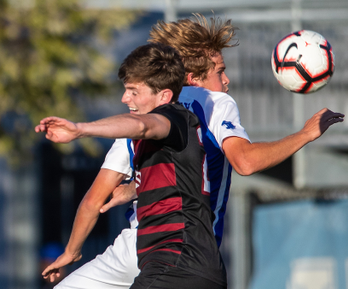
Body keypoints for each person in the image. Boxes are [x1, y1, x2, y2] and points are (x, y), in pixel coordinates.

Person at [41, 14, 344, 289]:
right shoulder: (211, 103)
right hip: (181, 247)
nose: (226, 81)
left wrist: (72, 251)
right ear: (192, 78)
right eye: (219, 71)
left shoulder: (137, 116)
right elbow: (245, 161)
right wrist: (304, 134)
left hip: (135, 246)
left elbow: (94, 200)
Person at [35, 43, 227, 289]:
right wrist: (71, 252)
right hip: (167, 263)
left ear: (164, 96)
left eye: (133, 91)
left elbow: (142, 125)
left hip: (178, 264)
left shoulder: (174, 119)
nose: (125, 98)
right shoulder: (166, 143)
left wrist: (80, 129)